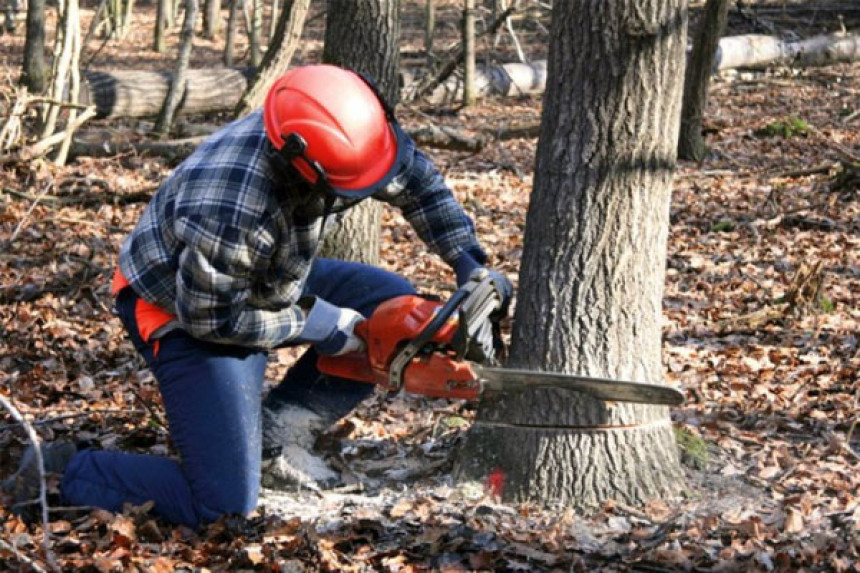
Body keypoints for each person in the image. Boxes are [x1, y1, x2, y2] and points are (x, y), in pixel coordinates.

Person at [2, 64, 512, 528]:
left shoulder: (344, 129)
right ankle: (66, 471)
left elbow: (416, 180)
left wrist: (467, 258)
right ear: (300, 168)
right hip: (182, 308)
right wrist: (315, 325)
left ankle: (276, 434)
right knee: (222, 506)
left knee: (387, 308)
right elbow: (211, 318)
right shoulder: (231, 203)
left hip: (269, 275)